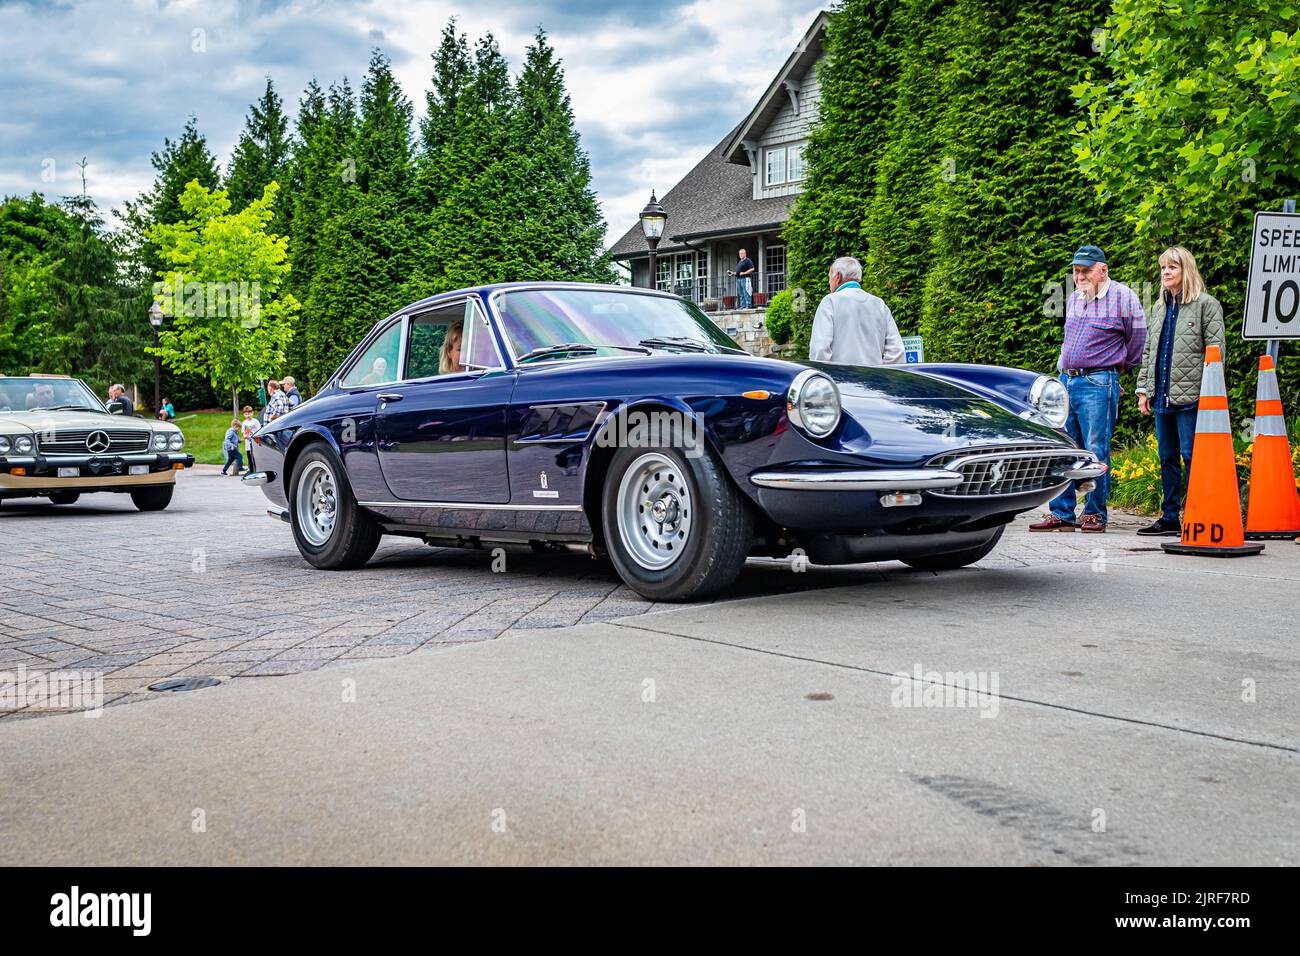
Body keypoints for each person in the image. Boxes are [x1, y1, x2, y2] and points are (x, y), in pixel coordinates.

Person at [1031, 244, 1147, 534]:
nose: (1079, 275)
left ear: (1103, 270)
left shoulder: (1123, 297)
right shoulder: (1073, 298)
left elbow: (1138, 339)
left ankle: (1095, 514)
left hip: (1098, 381)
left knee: (1095, 450)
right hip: (1066, 380)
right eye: (1076, 270)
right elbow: (1069, 339)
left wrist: (1120, 369)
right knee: (1063, 447)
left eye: (1086, 270)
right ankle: (1062, 513)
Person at [1133, 246, 1225, 536]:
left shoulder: (1206, 305)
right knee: (1167, 456)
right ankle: (1170, 517)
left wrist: (1209, 394)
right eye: (1162, 269)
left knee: (1191, 455)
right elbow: (1149, 351)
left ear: (1186, 270)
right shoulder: (1159, 308)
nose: (1165, 273)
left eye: (1172, 268)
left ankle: (1199, 515)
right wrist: (1144, 389)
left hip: (1192, 396)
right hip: (1161, 395)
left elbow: (1216, 351)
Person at [808, 256, 906, 366]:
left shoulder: (830, 301)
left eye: (829, 277)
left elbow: (819, 349)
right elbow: (897, 351)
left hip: (840, 380)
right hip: (873, 380)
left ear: (838, 277)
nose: (829, 282)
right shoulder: (879, 304)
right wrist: (881, 375)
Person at [240, 405, 259, 469]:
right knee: (249, 457)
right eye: (246, 414)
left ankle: (257, 468)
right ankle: (251, 469)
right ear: (244, 414)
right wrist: (245, 436)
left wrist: (254, 436)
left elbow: (259, 430)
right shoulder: (244, 423)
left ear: (252, 413)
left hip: (255, 441)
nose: (248, 415)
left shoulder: (255, 421)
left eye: (249, 413)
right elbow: (243, 432)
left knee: (255, 456)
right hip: (248, 443)